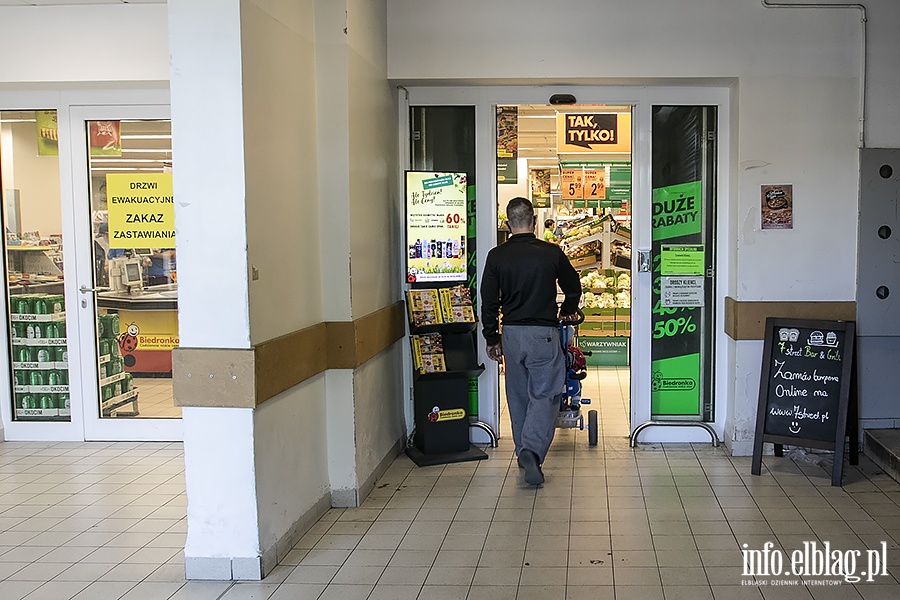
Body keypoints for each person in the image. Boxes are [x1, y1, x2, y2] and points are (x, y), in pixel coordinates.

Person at [481, 197, 581, 485]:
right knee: (546, 394)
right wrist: (568, 309)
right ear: (534, 220)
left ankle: (523, 453)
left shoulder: (496, 256)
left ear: (508, 224)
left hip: (511, 334)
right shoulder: (551, 253)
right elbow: (573, 285)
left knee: (518, 396)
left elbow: (488, 301)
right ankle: (532, 452)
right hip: (543, 334)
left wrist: (492, 337)